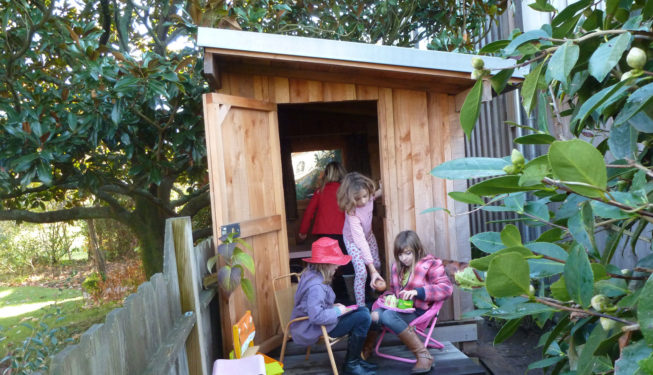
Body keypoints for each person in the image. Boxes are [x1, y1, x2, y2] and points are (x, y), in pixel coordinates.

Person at [364, 230, 453, 374]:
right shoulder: (396, 267)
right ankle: (366, 350)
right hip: (400, 309)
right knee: (374, 314)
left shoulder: (431, 264)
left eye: (408, 253)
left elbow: (446, 289)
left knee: (387, 316)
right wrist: (386, 296)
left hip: (419, 311)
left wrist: (418, 292)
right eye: (400, 254)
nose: (403, 258)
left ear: (417, 249)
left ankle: (424, 356)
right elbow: (394, 291)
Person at [290, 237, 377, 375]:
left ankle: (355, 361)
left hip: (323, 322)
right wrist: (336, 311)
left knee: (362, 311)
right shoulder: (316, 287)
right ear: (325, 264)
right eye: (335, 263)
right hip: (317, 327)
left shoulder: (313, 274)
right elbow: (316, 316)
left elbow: (315, 305)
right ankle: (351, 364)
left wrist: (333, 306)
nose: (338, 266)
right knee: (363, 317)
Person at [297, 161, 353, 303]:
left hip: (323, 235)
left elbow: (309, 212)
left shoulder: (320, 191)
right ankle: (350, 299)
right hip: (343, 234)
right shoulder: (346, 190)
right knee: (345, 265)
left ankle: (326, 299)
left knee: (324, 267)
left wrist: (303, 232)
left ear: (327, 175)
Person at [337, 172, 384, 307]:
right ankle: (361, 306)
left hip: (369, 236)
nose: (363, 201)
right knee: (362, 271)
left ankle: (376, 293)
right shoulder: (352, 212)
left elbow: (378, 193)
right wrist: (371, 268)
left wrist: (383, 186)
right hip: (353, 241)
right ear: (350, 199)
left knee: (378, 264)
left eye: (365, 196)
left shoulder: (369, 196)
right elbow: (360, 242)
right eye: (358, 199)